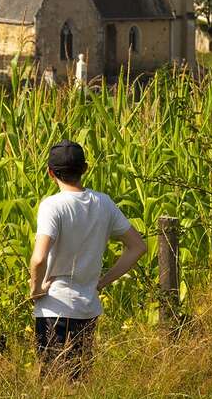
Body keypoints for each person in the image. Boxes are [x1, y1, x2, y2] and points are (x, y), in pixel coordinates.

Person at [29, 140, 146, 378]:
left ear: (50, 172)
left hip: (54, 307)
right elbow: (137, 246)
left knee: (53, 384)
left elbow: (39, 259)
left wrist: (35, 290)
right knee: (79, 380)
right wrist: (102, 281)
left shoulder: (52, 206)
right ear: (85, 169)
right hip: (88, 307)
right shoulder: (103, 203)